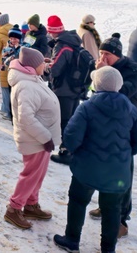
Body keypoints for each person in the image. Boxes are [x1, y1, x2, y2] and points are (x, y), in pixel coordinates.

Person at [53, 67, 137, 253]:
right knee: (112, 209)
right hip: (117, 172)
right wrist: (123, 156)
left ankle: (72, 240)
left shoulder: (87, 107)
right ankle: (108, 248)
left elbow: (71, 136)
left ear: (97, 84)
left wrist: (77, 152)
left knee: (78, 201)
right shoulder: (130, 108)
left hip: (86, 168)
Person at [87, 32, 137, 235]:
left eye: (107, 54)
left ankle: (121, 220)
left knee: (122, 176)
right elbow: (94, 93)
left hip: (124, 130)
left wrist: (104, 72)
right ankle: (105, 206)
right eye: (101, 53)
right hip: (104, 127)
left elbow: (120, 93)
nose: (103, 58)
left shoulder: (134, 71)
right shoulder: (102, 68)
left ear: (117, 55)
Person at [5, 47, 60, 230]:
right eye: (42, 63)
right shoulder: (26, 85)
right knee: (30, 175)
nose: (45, 65)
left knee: (37, 174)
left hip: (39, 139)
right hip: (35, 139)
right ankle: (14, 208)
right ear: (32, 66)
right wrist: (45, 137)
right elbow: (26, 118)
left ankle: (30, 204)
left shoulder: (31, 78)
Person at [45, 16, 88, 165]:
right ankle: (72, 149)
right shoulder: (73, 41)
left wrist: (46, 67)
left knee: (64, 121)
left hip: (64, 89)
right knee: (72, 120)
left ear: (52, 31)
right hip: (74, 87)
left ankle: (65, 152)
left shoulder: (62, 45)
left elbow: (55, 70)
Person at [0, 14, 13, 119]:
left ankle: (6, 110)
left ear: (0, 23)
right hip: (12, 63)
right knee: (10, 87)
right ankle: (6, 109)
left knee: (4, 87)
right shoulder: (13, 31)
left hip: (2, 64)